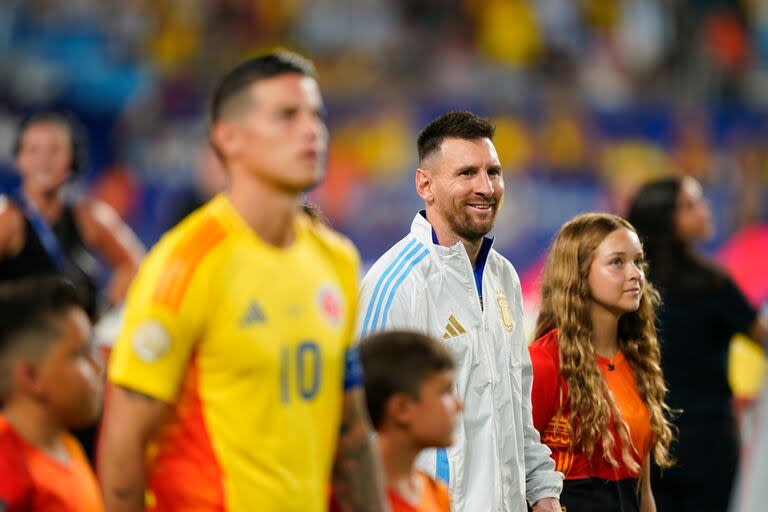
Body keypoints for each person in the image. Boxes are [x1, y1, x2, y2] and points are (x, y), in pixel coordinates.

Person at [98, 51, 388, 512]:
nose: (311, 130)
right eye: (286, 115)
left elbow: (351, 434)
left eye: (317, 115)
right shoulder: (186, 263)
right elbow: (123, 441)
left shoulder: (335, 261)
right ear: (229, 138)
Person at [358, 111, 562, 512]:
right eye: (467, 173)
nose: (485, 187)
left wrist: (542, 493)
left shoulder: (504, 277)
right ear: (425, 185)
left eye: (493, 172)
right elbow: (367, 429)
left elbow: (517, 412)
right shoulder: (396, 284)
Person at [627, 176, 768, 512]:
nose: (705, 210)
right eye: (690, 205)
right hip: (705, 440)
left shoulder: (629, 285)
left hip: (645, 436)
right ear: (665, 219)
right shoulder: (713, 285)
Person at [529, 213, 675, 512]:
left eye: (638, 261)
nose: (635, 274)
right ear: (579, 274)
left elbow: (642, 490)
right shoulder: (543, 361)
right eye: (617, 262)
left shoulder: (639, 361)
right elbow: (514, 472)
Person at [0, 111, 144, 319]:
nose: (44, 161)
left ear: (73, 157)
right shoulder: (8, 218)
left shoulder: (89, 216)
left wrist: (104, 315)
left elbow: (134, 263)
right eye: (33, 150)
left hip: (78, 344)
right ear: (19, 159)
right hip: (23, 346)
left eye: (55, 150)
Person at [0, 276, 103, 511]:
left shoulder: (65, 445)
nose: (98, 367)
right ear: (32, 377)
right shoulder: (7, 471)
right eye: (80, 354)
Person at [363, 330, 460, 511]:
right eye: (445, 392)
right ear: (402, 408)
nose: (459, 404)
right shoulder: (346, 500)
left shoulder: (436, 493)